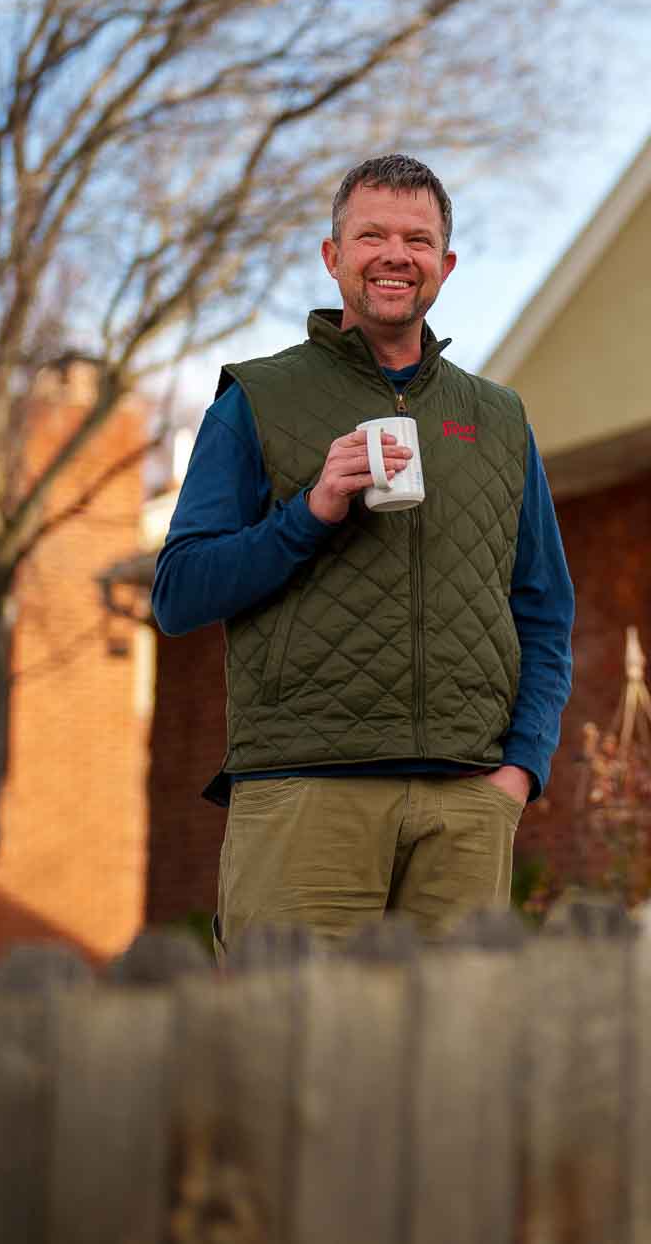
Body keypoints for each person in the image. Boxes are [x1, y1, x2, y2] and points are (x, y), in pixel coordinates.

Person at [151, 154, 575, 957]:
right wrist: (309, 512)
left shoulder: (499, 417)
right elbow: (178, 594)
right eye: (370, 234)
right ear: (332, 256)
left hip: (467, 799)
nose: (394, 255)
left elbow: (545, 608)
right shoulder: (258, 399)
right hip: (305, 785)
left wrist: (519, 769)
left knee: (453, 1061)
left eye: (417, 240)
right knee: (292, 1053)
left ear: (444, 266)